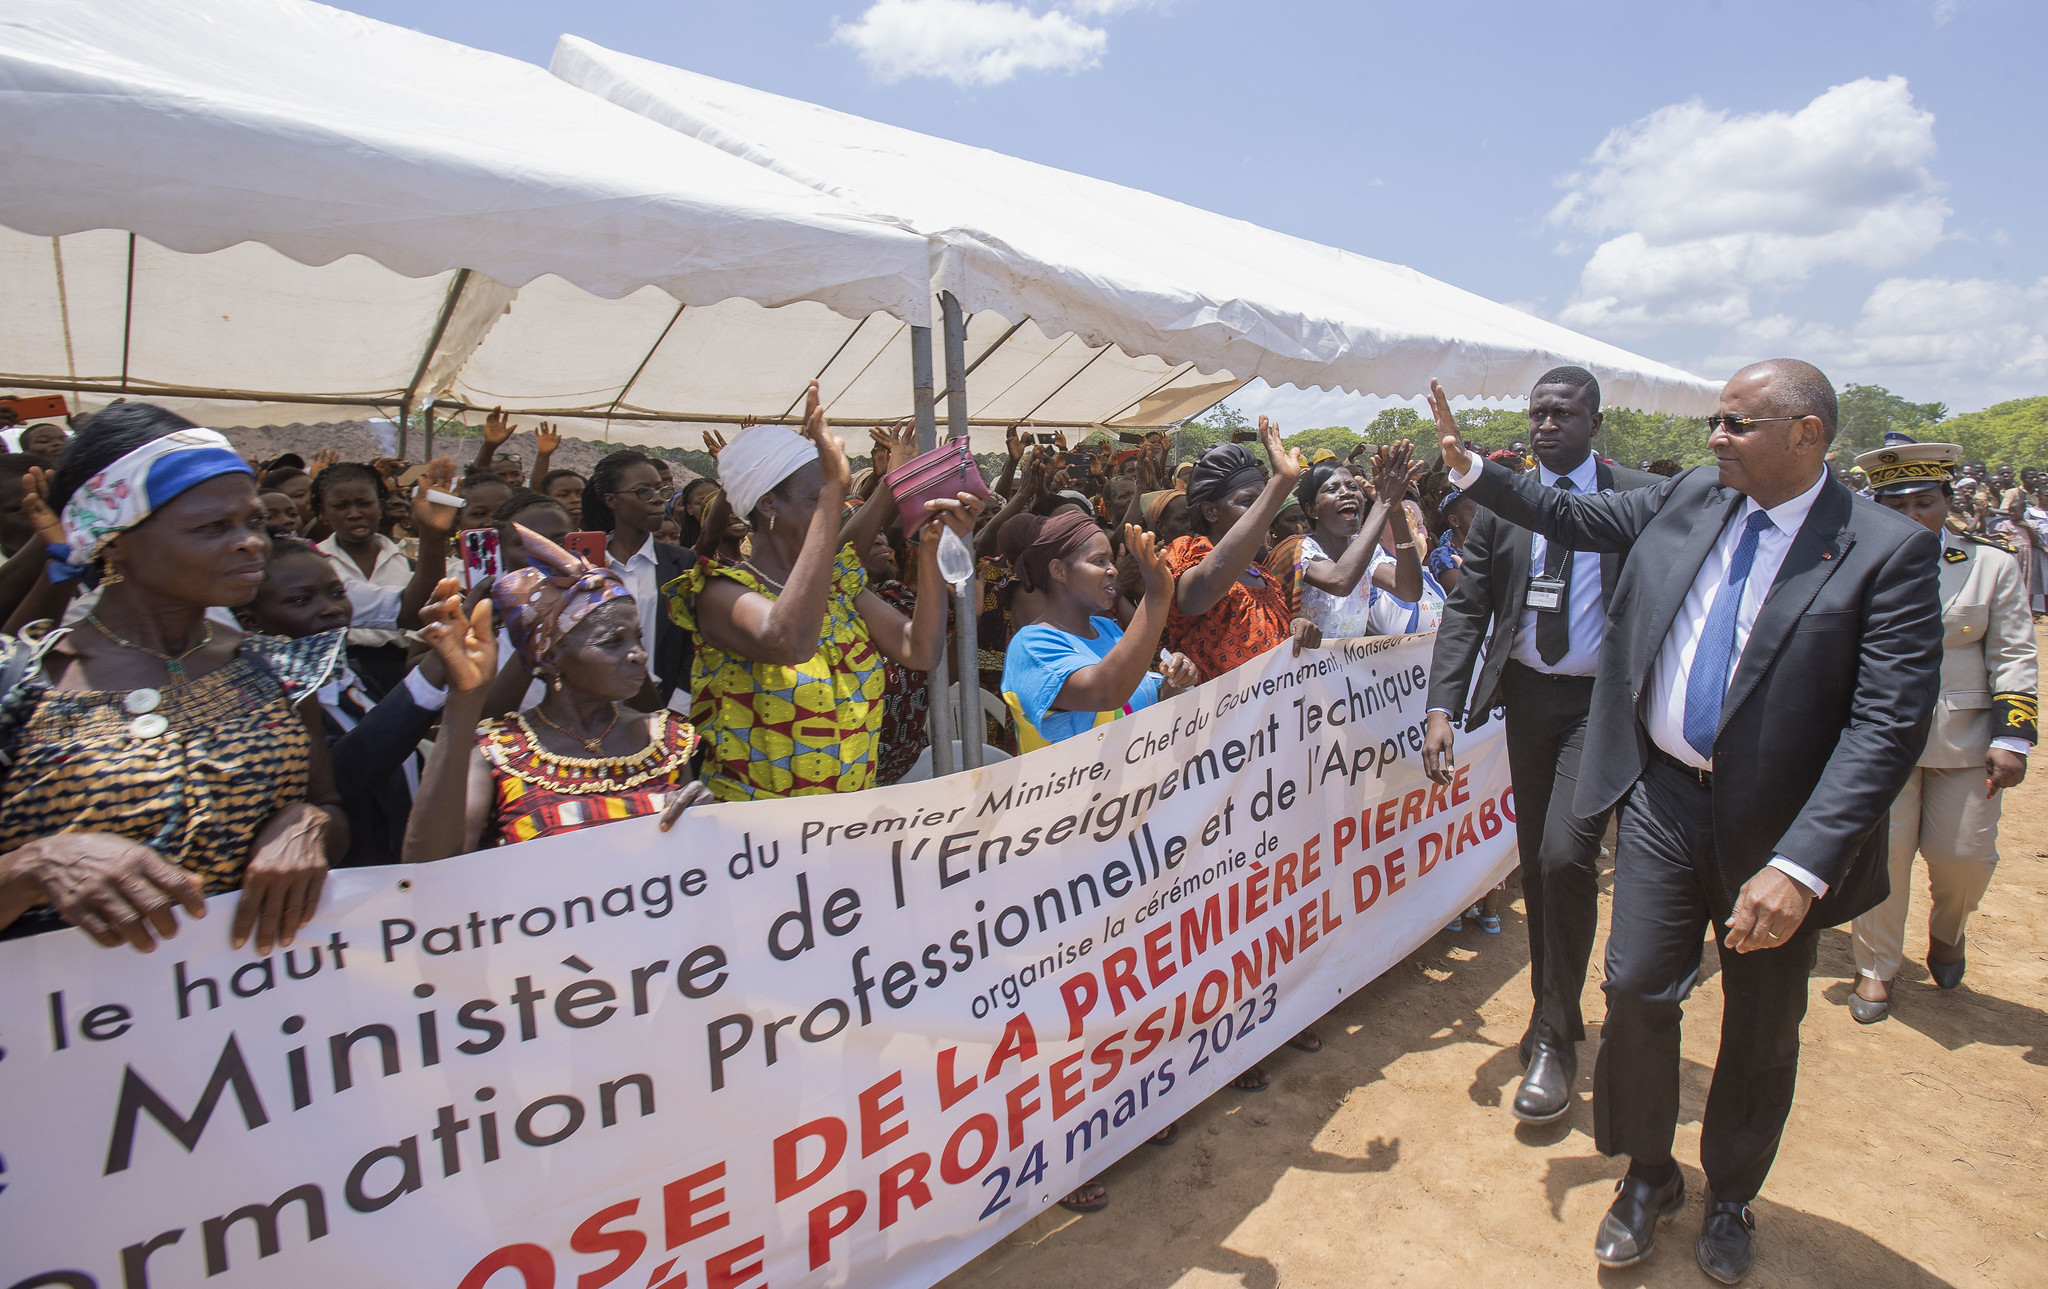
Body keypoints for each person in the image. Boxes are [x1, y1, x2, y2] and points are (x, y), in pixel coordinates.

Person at [1426, 361, 1942, 1283]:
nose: (1714, 438)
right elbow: (1575, 518)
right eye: (1713, 421)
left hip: (1777, 836)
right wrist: (1472, 470)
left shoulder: (1883, 549)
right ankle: (1649, 1172)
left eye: (1737, 425)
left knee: (1759, 1025)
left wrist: (1803, 865)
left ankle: (1732, 1193)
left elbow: (1885, 725)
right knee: (1635, 993)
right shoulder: (1696, 497)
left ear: (1806, 435)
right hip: (1663, 800)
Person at [0, 404, 346, 950]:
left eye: (253, 521)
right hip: (71, 1022)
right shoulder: (23, 682)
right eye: (212, 527)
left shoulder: (275, 666)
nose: (250, 542)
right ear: (113, 540)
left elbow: (329, 805)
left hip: (256, 1002)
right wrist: (33, 865)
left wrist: (308, 826)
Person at [1424, 366, 1661, 1126]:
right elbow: (1468, 609)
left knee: (1565, 857)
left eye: (1563, 413)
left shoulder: (1633, 496)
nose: (1546, 425)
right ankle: (1551, 1013)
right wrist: (1440, 707)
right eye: (1537, 414)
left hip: (1601, 705)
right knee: (1540, 857)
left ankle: (1556, 1036)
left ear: (1595, 420)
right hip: (1528, 699)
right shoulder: (1502, 503)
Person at [667, 383, 977, 800]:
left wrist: (930, 552)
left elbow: (920, 650)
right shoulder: (720, 593)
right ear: (768, 504)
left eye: (833, 497)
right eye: (817, 497)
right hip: (759, 843)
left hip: (841, 828)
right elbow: (790, 641)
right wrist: (834, 489)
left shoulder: (838, 585)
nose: (832, 509)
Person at [1845, 440, 2035, 1021]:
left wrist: (2013, 738)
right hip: (1876, 737)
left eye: (1924, 502)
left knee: (1964, 856)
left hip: (1964, 741)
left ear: (1947, 501)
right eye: (1896, 505)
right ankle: (1876, 967)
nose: (1911, 517)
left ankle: (1949, 929)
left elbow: (2014, 654)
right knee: (1883, 857)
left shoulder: (1990, 565)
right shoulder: (1852, 561)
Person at [402, 534, 712, 860]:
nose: (637, 654)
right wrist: (464, 699)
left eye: (637, 638)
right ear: (550, 659)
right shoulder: (498, 750)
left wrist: (704, 821)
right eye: (612, 642)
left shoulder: (666, 741)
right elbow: (427, 864)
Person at [999, 513, 1196, 748]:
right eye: (1099, 561)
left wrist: (1174, 679)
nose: (1112, 570)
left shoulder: (1106, 628)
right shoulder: (1030, 646)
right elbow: (1106, 693)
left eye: (1111, 561)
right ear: (1059, 571)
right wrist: (1157, 596)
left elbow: (1141, 699)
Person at [1164, 420, 1321, 683]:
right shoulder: (1188, 557)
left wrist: (1294, 630)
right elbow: (1207, 586)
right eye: (1249, 502)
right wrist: (1281, 483)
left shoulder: (1263, 576)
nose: (1263, 512)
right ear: (1210, 510)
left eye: (1264, 502)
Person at [1271, 444, 1422, 639]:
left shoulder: (1367, 550)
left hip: (1347, 668)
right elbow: (1339, 581)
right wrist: (1384, 503)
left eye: (1353, 487)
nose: (1347, 493)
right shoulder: (1299, 549)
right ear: (1312, 510)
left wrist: (1394, 510)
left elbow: (1409, 591)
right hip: (1303, 668)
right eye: (1332, 489)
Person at [583, 448, 695, 708]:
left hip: (663, 706)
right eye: (644, 491)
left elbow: (691, 642)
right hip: (594, 707)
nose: (658, 500)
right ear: (612, 500)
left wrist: (678, 708)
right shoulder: (587, 564)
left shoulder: (681, 563)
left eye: (662, 490)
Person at [312, 462, 413, 694]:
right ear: (323, 513)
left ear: (380, 506)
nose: (354, 514)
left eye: (364, 504)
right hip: (337, 675)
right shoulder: (314, 564)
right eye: (340, 506)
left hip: (402, 671)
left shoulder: (407, 562)